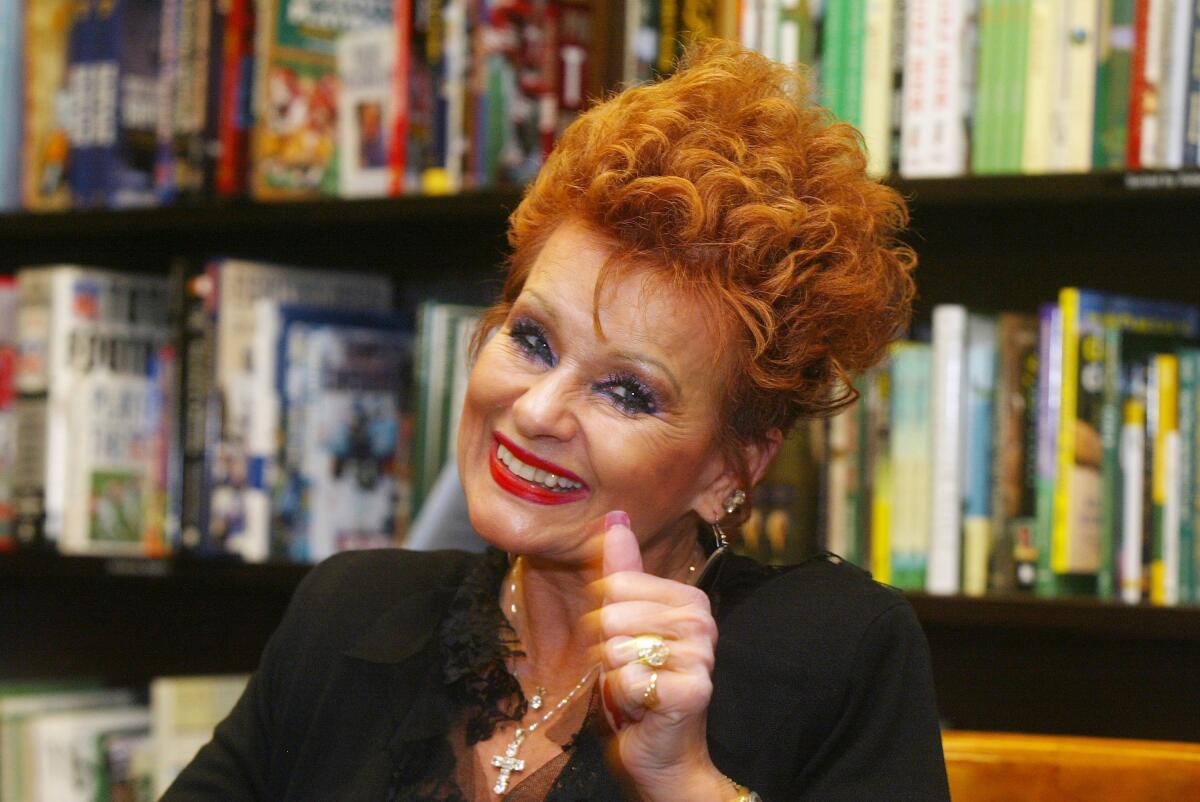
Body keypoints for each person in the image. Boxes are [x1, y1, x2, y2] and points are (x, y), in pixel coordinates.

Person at [163, 40, 950, 801]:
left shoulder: (836, 656)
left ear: (731, 468)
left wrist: (683, 784)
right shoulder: (346, 616)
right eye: (533, 340)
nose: (537, 410)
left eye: (627, 392)